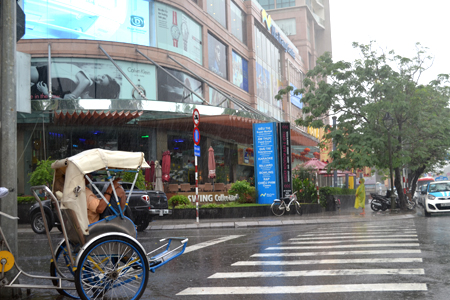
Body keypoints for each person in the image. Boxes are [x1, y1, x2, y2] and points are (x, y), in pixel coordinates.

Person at [30, 63, 120, 100]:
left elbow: (69, 99)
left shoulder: (87, 81)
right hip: (45, 73)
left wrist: (47, 93)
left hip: (45, 74)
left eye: (100, 82)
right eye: (102, 77)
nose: (99, 78)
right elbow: (67, 99)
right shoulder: (86, 78)